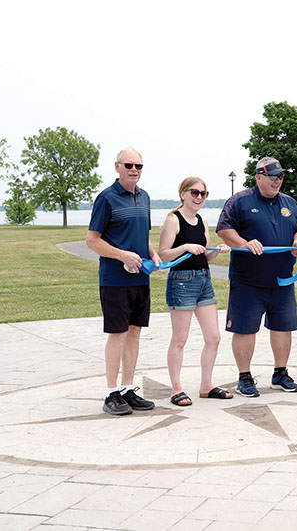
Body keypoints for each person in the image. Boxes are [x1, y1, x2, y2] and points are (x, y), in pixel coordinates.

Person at [216, 157, 297, 397]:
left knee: (283, 327)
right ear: (258, 177)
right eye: (273, 176)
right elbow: (224, 229)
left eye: (281, 176)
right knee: (245, 329)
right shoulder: (240, 201)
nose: (278, 181)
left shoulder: (290, 203)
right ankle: (244, 377)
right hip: (248, 281)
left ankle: (280, 373)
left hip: (282, 280)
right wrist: (244, 243)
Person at [86, 147, 161, 415]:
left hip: (141, 278)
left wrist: (152, 252)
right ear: (117, 167)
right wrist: (122, 256)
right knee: (117, 334)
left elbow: (141, 234)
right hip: (115, 279)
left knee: (135, 332)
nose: (134, 170)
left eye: (139, 166)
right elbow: (92, 240)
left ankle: (128, 390)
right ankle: (111, 393)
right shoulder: (106, 199)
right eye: (128, 165)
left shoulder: (144, 198)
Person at [158, 177, 231, 406]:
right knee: (180, 339)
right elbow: (163, 255)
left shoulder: (202, 221)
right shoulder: (173, 219)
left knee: (214, 337)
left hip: (203, 280)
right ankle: (176, 388)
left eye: (203, 193)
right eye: (194, 192)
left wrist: (218, 250)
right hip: (181, 281)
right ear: (183, 194)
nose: (199, 197)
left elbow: (206, 255)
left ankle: (206, 386)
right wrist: (184, 247)